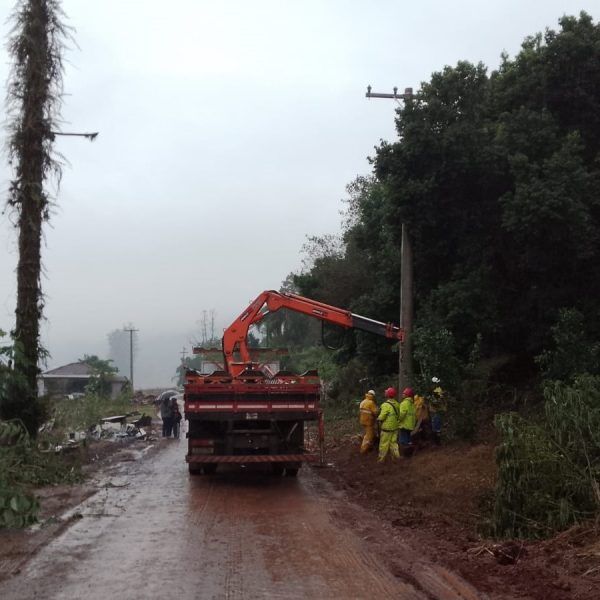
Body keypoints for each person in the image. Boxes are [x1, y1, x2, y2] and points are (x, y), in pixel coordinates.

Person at [377, 387, 401, 462]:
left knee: (384, 444)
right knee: (393, 443)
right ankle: (397, 457)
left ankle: (381, 459)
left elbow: (382, 416)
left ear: (387, 395)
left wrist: (378, 419)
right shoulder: (397, 404)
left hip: (386, 428)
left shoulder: (385, 405)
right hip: (395, 427)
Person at [398, 387, 417, 457]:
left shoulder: (404, 403)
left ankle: (405, 455)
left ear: (407, 395)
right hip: (410, 425)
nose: (403, 394)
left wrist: (397, 420)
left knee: (403, 441)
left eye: (404, 393)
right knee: (409, 440)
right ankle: (410, 454)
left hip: (404, 425)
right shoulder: (412, 404)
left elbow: (402, 414)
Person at [358, 389, 378, 454]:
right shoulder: (371, 403)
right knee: (368, 436)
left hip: (362, 421)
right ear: (372, 395)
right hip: (369, 422)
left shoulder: (363, 402)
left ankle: (367, 443)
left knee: (366, 433)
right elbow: (375, 412)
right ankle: (363, 450)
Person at [429, 377, 447, 446]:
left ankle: (438, 443)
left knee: (437, 427)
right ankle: (436, 442)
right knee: (435, 426)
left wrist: (431, 400)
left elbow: (438, 401)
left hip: (437, 411)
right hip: (435, 411)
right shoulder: (435, 390)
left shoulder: (438, 391)